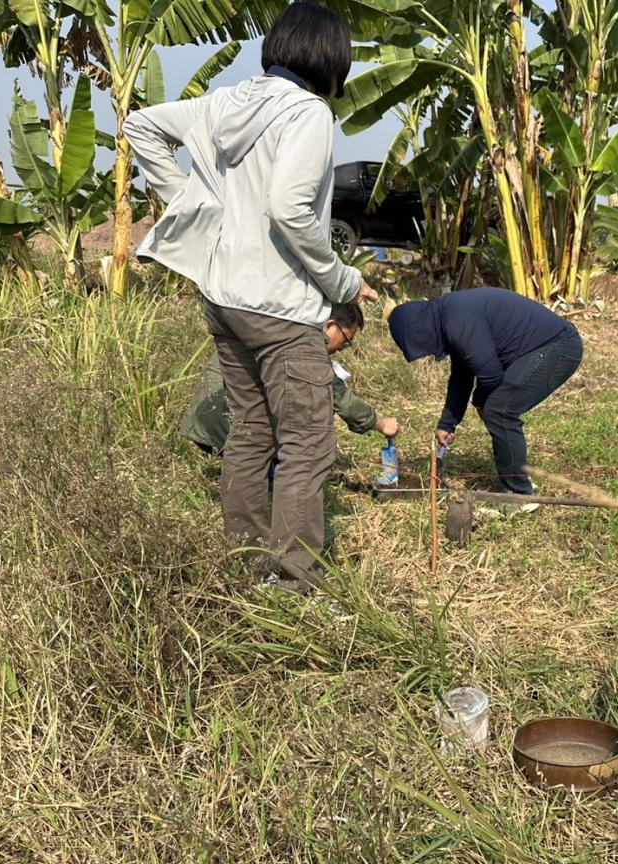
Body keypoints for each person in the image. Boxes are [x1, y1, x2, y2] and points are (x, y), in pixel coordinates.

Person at [125, 3, 379, 592]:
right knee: (308, 443)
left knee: (252, 430)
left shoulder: (226, 101)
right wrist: (341, 281)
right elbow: (290, 210)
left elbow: (141, 126)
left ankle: (245, 566)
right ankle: (294, 582)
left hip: (222, 297)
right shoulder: (309, 113)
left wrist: (194, 203)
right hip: (278, 307)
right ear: (331, 59)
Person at [386, 288, 583, 495]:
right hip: (544, 347)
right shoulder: (448, 315)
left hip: (557, 346)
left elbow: (491, 375)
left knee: (500, 410)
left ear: (419, 330)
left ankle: (520, 495)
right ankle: (518, 479)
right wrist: (447, 424)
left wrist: (480, 401)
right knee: (496, 407)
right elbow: (462, 376)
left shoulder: (457, 321)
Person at [181, 303, 398, 455]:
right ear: (331, 325)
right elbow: (339, 397)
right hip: (229, 430)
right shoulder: (302, 339)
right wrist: (379, 424)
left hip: (204, 421)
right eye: (346, 340)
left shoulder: (279, 320)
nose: (343, 348)